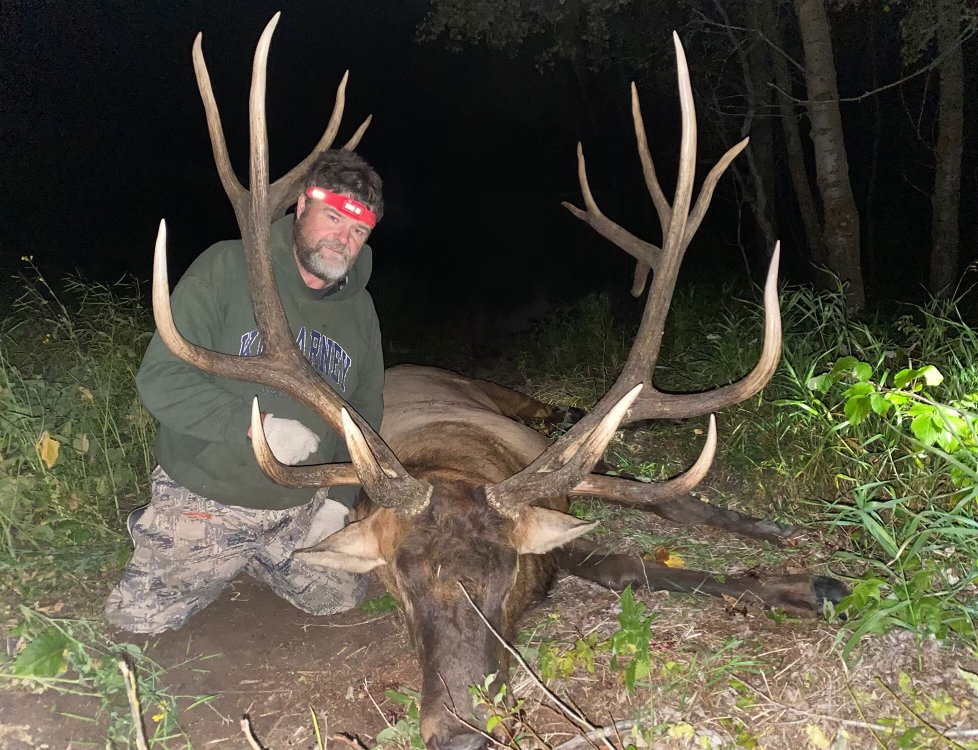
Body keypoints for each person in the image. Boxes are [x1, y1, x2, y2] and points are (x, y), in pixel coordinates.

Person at [104, 150, 385, 634]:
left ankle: (252, 557)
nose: (343, 239)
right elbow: (161, 380)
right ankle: (160, 523)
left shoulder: (360, 311)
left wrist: (340, 501)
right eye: (333, 218)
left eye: (358, 231)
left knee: (339, 598)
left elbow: (364, 414)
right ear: (300, 208)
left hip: (299, 508)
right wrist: (254, 428)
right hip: (210, 493)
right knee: (138, 620)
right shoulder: (227, 266)